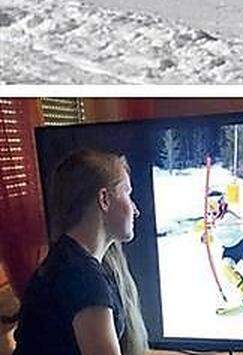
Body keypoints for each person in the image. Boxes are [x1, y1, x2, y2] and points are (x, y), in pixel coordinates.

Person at [14, 149, 148, 355]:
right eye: (128, 193)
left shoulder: (67, 259)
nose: (135, 209)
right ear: (104, 199)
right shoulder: (83, 279)